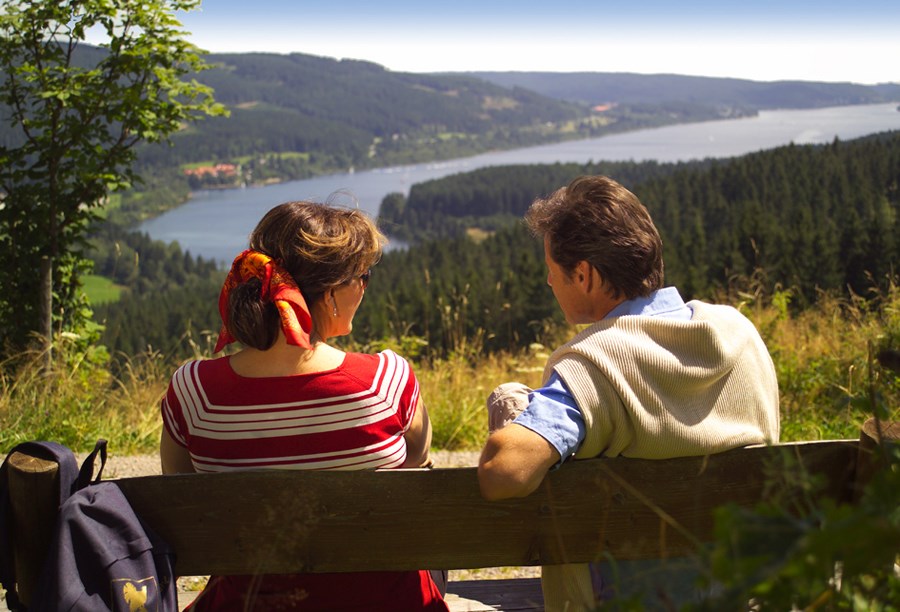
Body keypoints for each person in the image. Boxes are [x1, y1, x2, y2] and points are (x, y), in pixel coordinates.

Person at [477, 175, 780, 611]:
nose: (548, 281)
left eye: (551, 270)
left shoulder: (593, 364)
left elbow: (502, 473)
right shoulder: (740, 332)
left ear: (583, 275)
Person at [159, 201, 449, 611]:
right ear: (331, 292)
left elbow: (182, 494)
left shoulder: (193, 393)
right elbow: (416, 464)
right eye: (362, 277)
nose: (365, 287)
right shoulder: (387, 382)